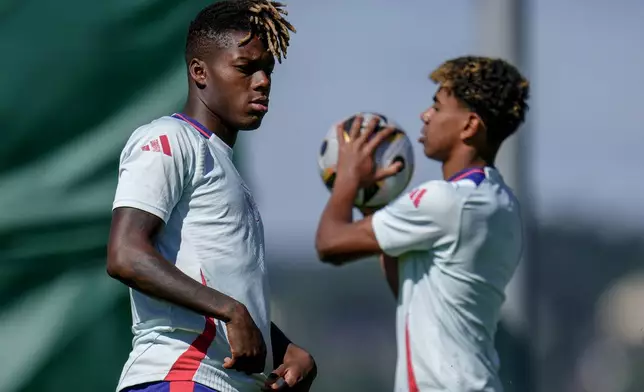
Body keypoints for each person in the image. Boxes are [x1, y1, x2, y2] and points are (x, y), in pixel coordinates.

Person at [107, 2, 316, 392]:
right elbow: (125, 254)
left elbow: (221, 285)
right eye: (245, 67)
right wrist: (232, 311)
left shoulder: (222, 166)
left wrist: (283, 349)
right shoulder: (169, 139)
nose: (263, 81)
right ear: (199, 72)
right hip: (180, 376)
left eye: (267, 69)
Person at [315, 56, 529, 391]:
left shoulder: (446, 201)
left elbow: (330, 243)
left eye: (438, 107)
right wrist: (375, 200)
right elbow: (410, 290)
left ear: (470, 125)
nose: (425, 115)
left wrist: (348, 178)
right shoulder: (501, 202)